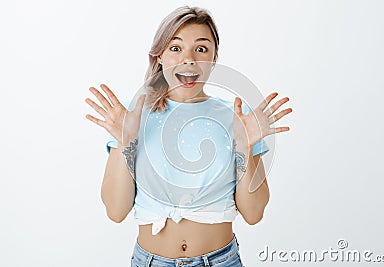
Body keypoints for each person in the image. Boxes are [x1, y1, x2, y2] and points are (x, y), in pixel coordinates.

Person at [85, 5, 292, 267]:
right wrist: (126, 141)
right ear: (159, 56)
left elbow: (253, 214)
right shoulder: (135, 116)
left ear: (214, 58)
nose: (189, 59)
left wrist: (246, 147)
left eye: (201, 48)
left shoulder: (238, 118)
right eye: (175, 48)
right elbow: (115, 211)